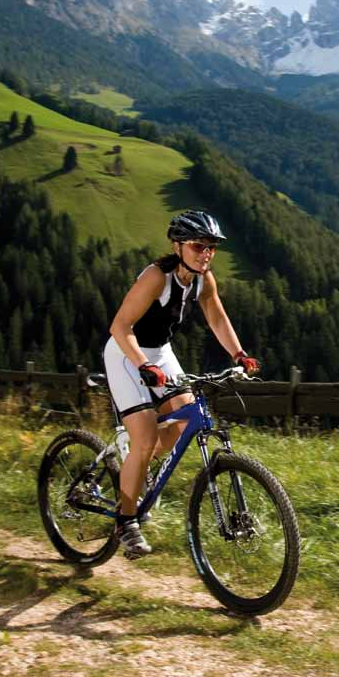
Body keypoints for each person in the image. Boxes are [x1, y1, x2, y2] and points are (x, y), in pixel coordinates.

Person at [103, 209, 260, 558]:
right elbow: (120, 327)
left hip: (160, 352)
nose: (205, 253)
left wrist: (238, 353)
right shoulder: (156, 278)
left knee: (185, 419)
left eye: (211, 248)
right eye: (198, 246)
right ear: (177, 246)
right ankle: (126, 520)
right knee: (145, 436)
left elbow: (216, 316)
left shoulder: (204, 280)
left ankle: (135, 465)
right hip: (126, 352)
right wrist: (143, 365)